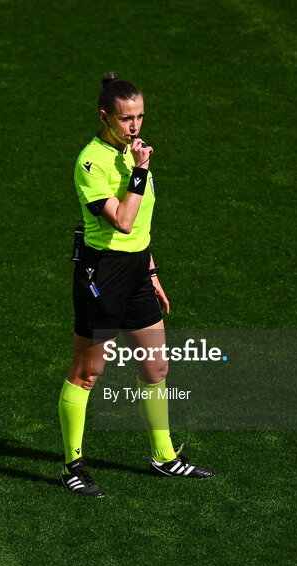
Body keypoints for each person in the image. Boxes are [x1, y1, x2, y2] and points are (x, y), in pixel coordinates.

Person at [57, 73, 215, 497]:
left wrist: (151, 272)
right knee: (89, 372)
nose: (135, 127)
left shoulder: (131, 154)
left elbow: (141, 228)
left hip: (135, 273)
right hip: (102, 275)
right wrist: (141, 172)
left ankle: (164, 458)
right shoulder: (92, 162)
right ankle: (72, 464)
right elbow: (123, 221)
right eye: (126, 119)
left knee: (156, 367)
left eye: (140, 117)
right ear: (104, 116)